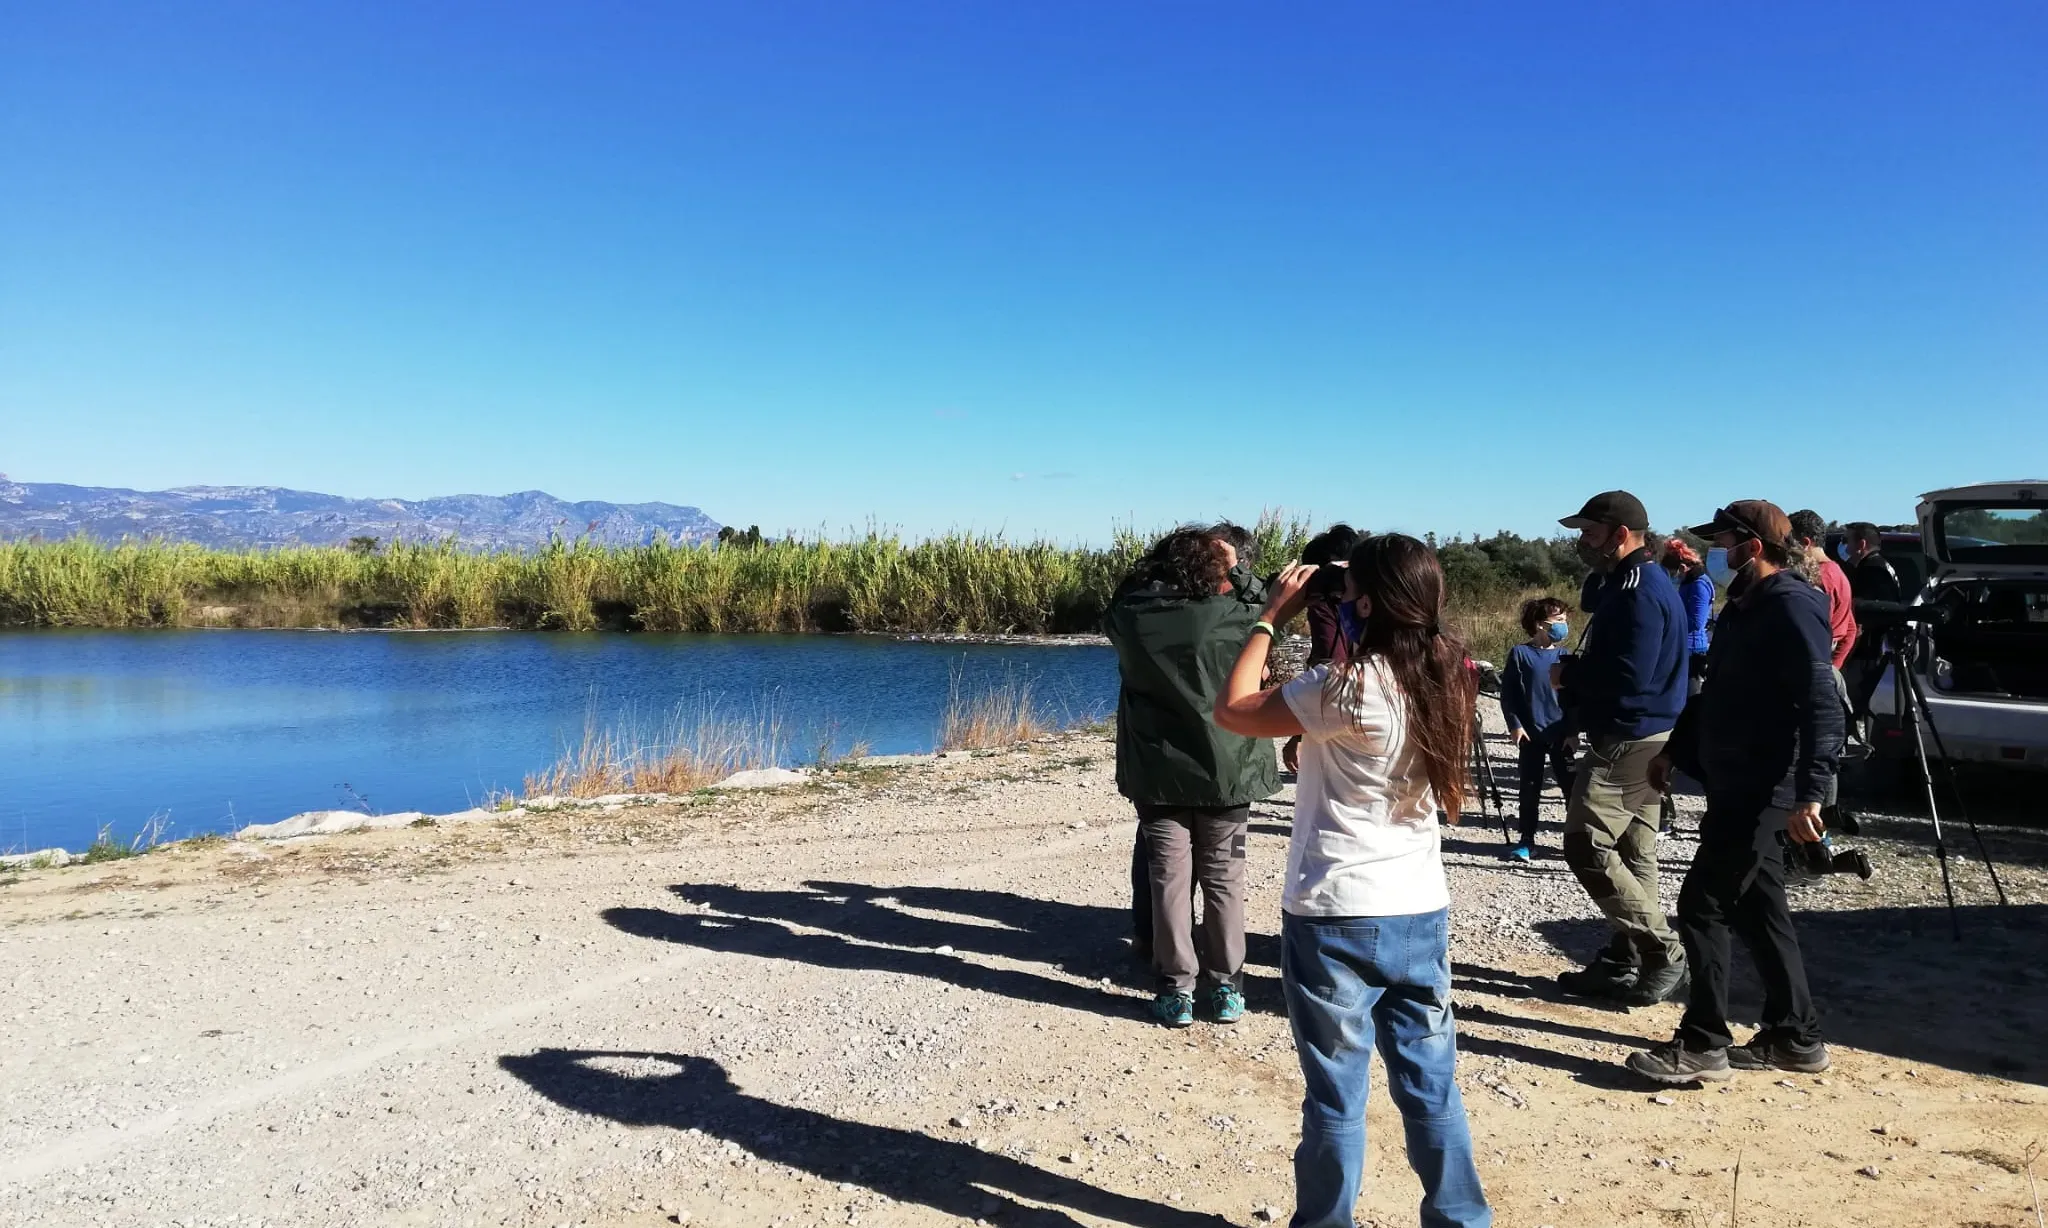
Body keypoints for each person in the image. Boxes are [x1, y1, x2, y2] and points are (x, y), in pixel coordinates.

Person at [1212, 533, 1492, 1228]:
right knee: (1432, 1087)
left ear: (1366, 600)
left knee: (1337, 1096)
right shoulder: (1450, 674)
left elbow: (1234, 707)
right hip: (1419, 908)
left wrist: (1271, 613)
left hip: (1335, 908)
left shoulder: (1344, 687)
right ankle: (1461, 1218)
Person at [1630, 501, 1841, 1084]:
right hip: (1736, 780)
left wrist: (1812, 792)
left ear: (1752, 545)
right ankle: (1796, 1037)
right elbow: (1715, 692)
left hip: (1766, 787)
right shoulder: (1744, 607)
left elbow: (1820, 700)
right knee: (1759, 906)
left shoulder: (1792, 604)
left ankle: (1703, 1042)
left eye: (1722, 540)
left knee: (1703, 905)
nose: (1714, 553)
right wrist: (1678, 750)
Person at [1102, 528, 1277, 1028]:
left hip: (1157, 769)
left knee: (1168, 880)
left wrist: (1150, 565)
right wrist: (1236, 569)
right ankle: (1225, 987)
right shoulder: (1237, 615)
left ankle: (1176, 989)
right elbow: (1267, 603)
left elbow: (1116, 600)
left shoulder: (1132, 616)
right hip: (1228, 765)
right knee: (1224, 878)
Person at [1552, 491, 1691, 1006]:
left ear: (1620, 533)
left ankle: (1662, 952)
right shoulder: (1638, 582)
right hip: (1649, 732)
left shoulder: (1636, 590)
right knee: (1635, 851)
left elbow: (1628, 676)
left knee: (1585, 844)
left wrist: (1570, 676)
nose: (1583, 542)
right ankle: (1622, 958)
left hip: (1631, 735)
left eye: (1589, 531)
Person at [1281, 524, 1362, 773]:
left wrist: (1298, 735)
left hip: (1346, 718)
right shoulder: (1376, 598)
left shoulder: (1325, 604)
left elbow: (1330, 668)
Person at [1499, 596, 1574, 861]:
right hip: (1530, 734)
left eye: (1566, 620)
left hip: (1560, 734)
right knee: (1529, 788)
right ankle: (1527, 840)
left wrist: (1573, 732)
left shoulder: (1566, 656)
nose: (1564, 626)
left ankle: (1576, 841)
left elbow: (1574, 699)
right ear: (1541, 624)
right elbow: (1508, 694)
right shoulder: (1521, 654)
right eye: (1559, 621)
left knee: (1571, 788)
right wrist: (1515, 726)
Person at [1840, 522, 1903, 722]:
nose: (1845, 547)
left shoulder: (1872, 570)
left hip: (1866, 653)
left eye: (1847, 540)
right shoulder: (1881, 566)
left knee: (1851, 705)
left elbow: (1864, 614)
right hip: (1872, 650)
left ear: (1861, 544)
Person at [1789, 509, 1857, 669]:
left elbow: (1810, 632)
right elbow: (1850, 629)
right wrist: (1834, 668)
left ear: (1805, 543)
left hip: (1812, 663)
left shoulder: (1819, 578)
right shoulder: (1837, 572)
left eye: (1789, 542)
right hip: (1825, 661)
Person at [1658, 537, 1714, 685]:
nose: (1673, 578)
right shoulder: (1687, 583)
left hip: (1692, 651)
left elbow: (1696, 622)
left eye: (1672, 574)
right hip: (1681, 646)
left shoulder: (1699, 585)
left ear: (1682, 568)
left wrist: (1668, 624)